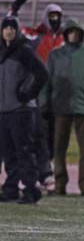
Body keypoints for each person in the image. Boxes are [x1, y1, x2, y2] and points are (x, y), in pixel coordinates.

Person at [45, 18, 84, 196]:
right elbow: (47, 82)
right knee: (58, 149)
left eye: (76, 32)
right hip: (61, 107)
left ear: (81, 34)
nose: (73, 35)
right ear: (65, 34)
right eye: (70, 31)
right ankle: (59, 184)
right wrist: (45, 105)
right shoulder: (55, 55)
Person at [9, 0, 65, 191]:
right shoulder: (34, 36)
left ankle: (47, 171)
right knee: (36, 134)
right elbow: (11, 29)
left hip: (58, 95)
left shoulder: (65, 40)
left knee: (53, 137)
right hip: (37, 93)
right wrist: (15, 8)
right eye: (52, 15)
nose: (55, 19)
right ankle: (42, 173)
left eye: (58, 15)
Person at [0, 16, 48, 204]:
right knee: (8, 152)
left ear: (17, 30)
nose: (9, 31)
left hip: (21, 111)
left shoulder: (24, 51)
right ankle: (11, 188)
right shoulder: (1, 51)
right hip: (3, 111)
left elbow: (42, 74)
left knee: (24, 151)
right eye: (6, 28)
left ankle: (31, 189)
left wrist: (28, 94)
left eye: (12, 28)